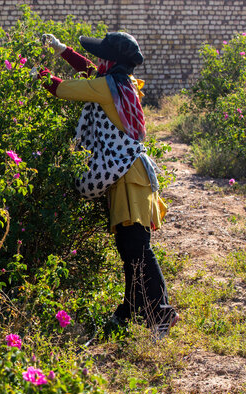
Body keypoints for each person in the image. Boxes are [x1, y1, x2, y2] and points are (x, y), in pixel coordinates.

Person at [33, 32, 179, 338]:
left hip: (128, 179)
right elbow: (91, 73)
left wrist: (36, 73)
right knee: (131, 250)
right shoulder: (120, 84)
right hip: (131, 174)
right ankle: (128, 311)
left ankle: (161, 313)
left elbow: (63, 89)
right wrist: (64, 51)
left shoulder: (107, 87)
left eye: (103, 57)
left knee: (137, 250)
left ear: (112, 62)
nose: (99, 60)